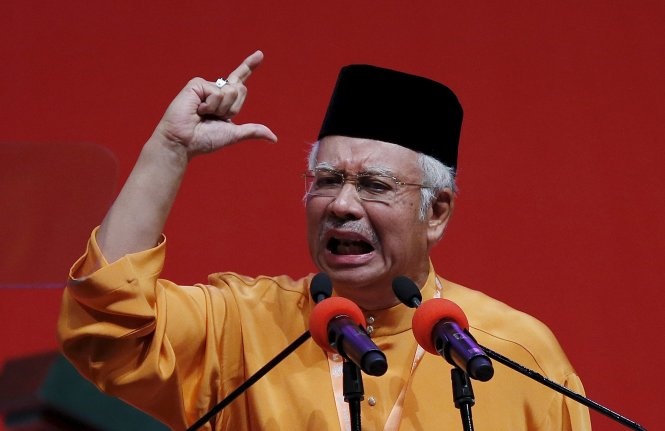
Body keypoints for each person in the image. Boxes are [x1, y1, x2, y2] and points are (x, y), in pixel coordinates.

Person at [57, 50, 592, 430]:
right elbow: (107, 328)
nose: (342, 204)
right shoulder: (242, 326)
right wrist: (170, 150)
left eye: (375, 185)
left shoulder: (512, 352)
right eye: (328, 180)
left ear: (436, 212)